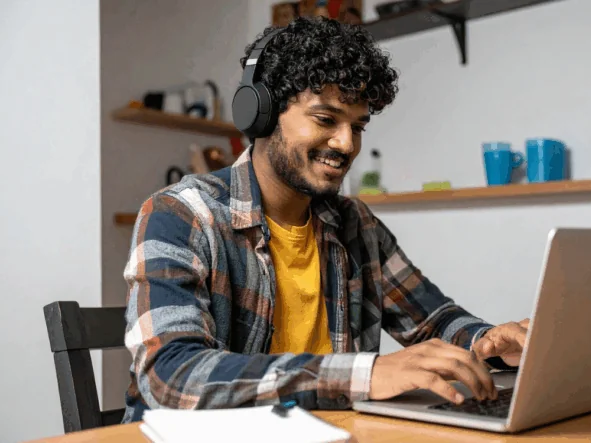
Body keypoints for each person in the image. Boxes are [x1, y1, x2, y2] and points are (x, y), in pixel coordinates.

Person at [121, 16, 529, 423]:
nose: (346, 144)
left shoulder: (356, 224)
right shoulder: (180, 215)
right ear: (262, 114)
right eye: (325, 119)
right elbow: (170, 376)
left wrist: (487, 341)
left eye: (358, 126)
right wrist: (365, 375)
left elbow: (433, 321)